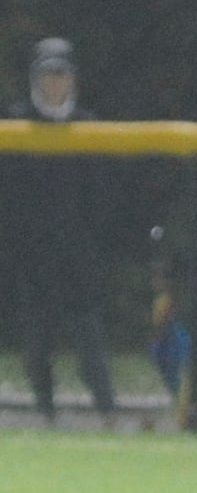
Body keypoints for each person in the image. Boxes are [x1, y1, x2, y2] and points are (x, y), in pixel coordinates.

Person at [4, 37, 116, 427]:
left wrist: (92, 241)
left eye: (62, 75)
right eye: (48, 75)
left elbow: (101, 195)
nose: (55, 83)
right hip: (31, 253)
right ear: (35, 78)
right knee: (36, 344)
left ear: (73, 79)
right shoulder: (15, 123)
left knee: (90, 342)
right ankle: (46, 414)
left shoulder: (87, 124)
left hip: (77, 252)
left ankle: (107, 413)